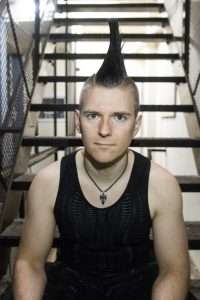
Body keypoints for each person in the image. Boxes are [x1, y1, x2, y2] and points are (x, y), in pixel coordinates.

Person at [13, 21, 190, 300]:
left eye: (120, 117)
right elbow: (30, 263)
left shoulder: (161, 185)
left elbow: (174, 270)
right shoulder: (49, 181)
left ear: (136, 125)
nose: (105, 130)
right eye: (93, 115)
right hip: (69, 288)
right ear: (77, 121)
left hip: (137, 288)